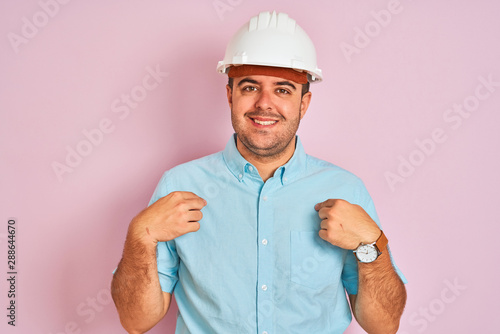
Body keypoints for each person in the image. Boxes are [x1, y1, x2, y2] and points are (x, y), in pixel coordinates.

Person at [111, 11, 407, 334]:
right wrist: (140, 235)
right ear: (230, 96)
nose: (264, 104)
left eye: (283, 90)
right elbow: (135, 321)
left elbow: (384, 326)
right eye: (250, 87)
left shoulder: (346, 191)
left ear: (304, 103)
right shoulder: (179, 186)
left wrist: (372, 243)